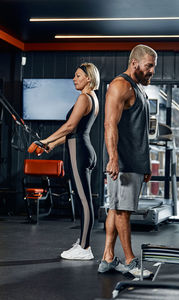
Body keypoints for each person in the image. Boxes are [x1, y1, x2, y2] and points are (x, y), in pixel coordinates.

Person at [29, 62, 100, 260]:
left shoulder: (84, 97)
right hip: (83, 149)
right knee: (82, 199)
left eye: (78, 76)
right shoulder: (93, 98)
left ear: (89, 78)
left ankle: (85, 248)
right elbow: (75, 131)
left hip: (79, 153)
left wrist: (44, 139)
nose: (74, 79)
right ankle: (83, 242)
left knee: (84, 202)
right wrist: (50, 145)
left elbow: (69, 127)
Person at [98, 44, 157, 277]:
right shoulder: (120, 86)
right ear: (134, 63)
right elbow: (109, 124)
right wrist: (113, 159)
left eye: (153, 66)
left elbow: (138, 130)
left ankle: (108, 258)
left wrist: (145, 162)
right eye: (149, 66)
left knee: (115, 209)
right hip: (122, 163)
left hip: (134, 162)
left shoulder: (137, 88)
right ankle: (131, 262)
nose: (152, 71)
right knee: (123, 211)